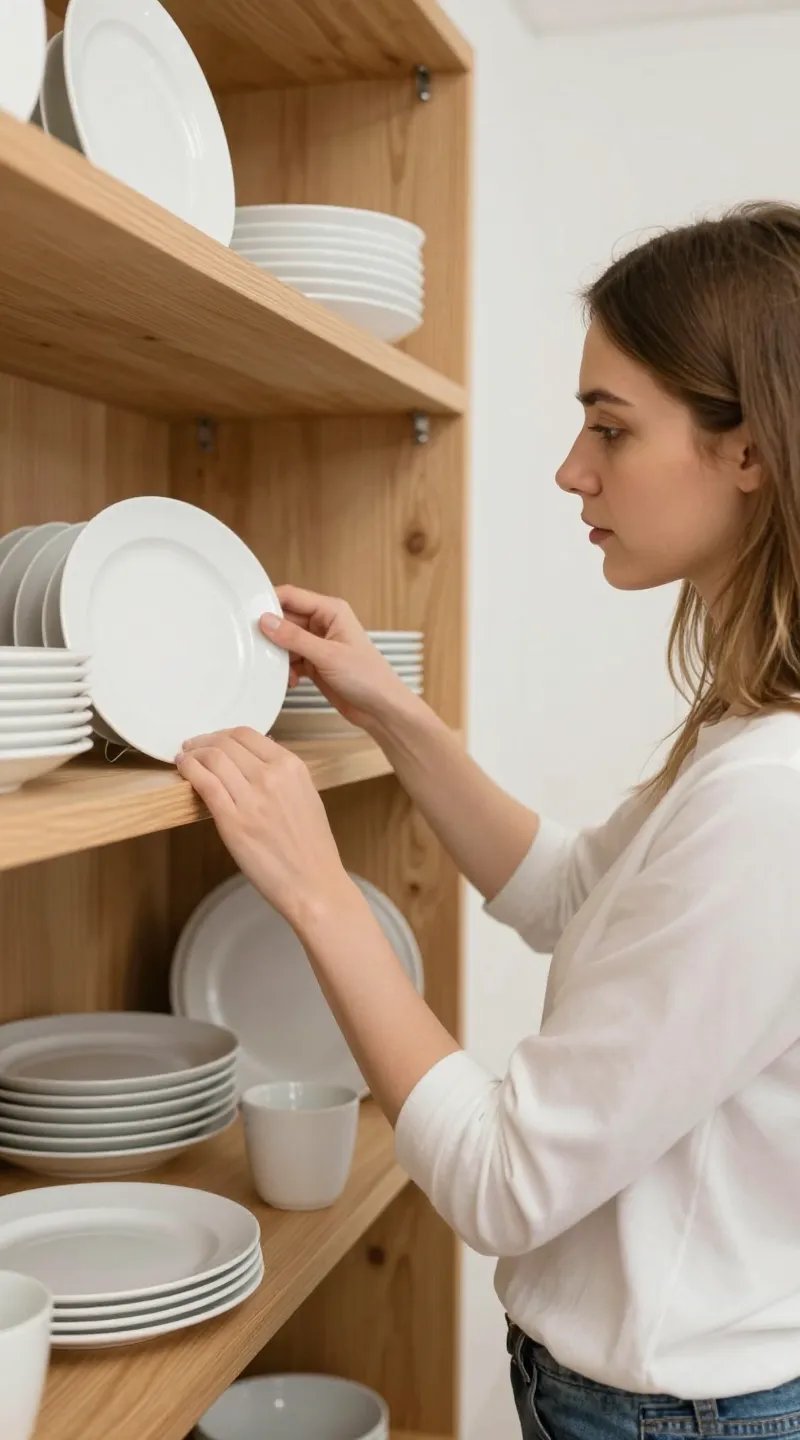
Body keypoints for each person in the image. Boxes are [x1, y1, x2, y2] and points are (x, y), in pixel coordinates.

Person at [176, 200, 800, 1440]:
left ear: (748, 451)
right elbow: (568, 894)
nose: (572, 470)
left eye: (608, 429)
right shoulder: (747, 743)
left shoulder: (769, 799)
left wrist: (313, 887)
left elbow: (506, 1184)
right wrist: (391, 716)